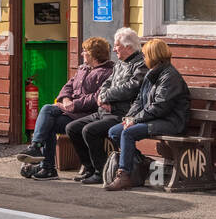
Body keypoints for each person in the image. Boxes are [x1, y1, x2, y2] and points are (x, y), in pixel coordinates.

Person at [18, 36, 115, 180]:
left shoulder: (107, 73)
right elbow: (67, 86)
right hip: (71, 112)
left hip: (87, 115)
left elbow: (97, 97)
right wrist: (66, 100)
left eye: (85, 51)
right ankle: (46, 165)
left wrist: (72, 105)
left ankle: (41, 156)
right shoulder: (83, 69)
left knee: (47, 111)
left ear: (94, 54)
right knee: (48, 119)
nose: (82, 54)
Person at [105, 38, 191, 191]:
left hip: (171, 121)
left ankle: (124, 175)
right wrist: (129, 117)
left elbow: (160, 106)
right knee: (115, 131)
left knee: (128, 133)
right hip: (155, 118)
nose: (143, 58)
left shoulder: (170, 76)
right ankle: (142, 162)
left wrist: (136, 120)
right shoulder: (151, 74)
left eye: (145, 55)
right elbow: (139, 100)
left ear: (154, 56)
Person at [63, 28, 147, 184]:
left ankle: (100, 171)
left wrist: (106, 96)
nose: (114, 49)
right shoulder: (120, 63)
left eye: (117, 46)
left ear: (128, 47)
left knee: (90, 131)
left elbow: (132, 88)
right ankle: (89, 167)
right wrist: (102, 95)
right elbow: (107, 83)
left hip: (122, 113)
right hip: (105, 111)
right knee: (72, 128)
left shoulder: (140, 64)